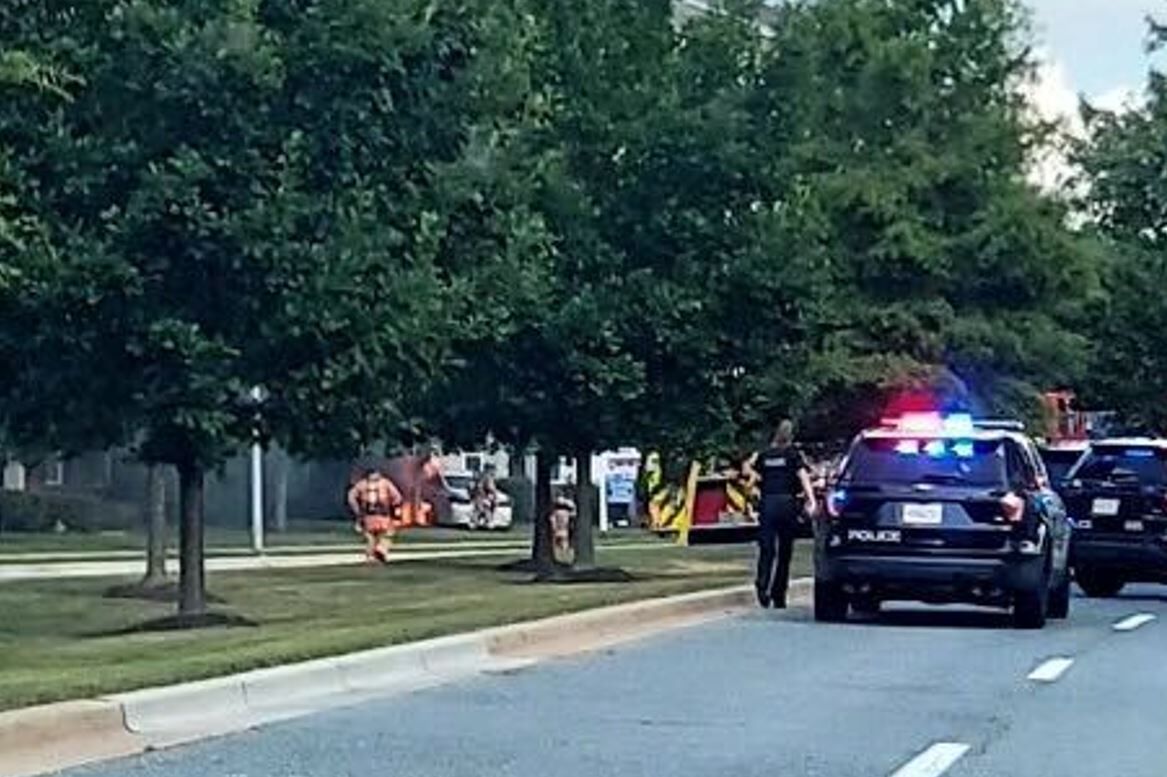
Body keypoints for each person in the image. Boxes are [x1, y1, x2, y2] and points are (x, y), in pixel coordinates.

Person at [755, 420, 816, 608]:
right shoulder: (792, 454)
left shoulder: (765, 455)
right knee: (784, 551)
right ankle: (778, 594)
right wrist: (811, 500)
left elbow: (754, 475)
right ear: (791, 436)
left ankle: (762, 586)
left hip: (768, 503)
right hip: (787, 504)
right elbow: (803, 477)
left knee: (767, 549)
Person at [346, 468, 403, 564]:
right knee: (386, 535)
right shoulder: (385, 483)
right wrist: (394, 508)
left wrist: (357, 510)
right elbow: (397, 497)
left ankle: (371, 556)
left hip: (368, 515)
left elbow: (351, 497)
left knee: (371, 537)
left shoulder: (362, 484)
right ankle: (380, 551)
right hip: (383, 515)